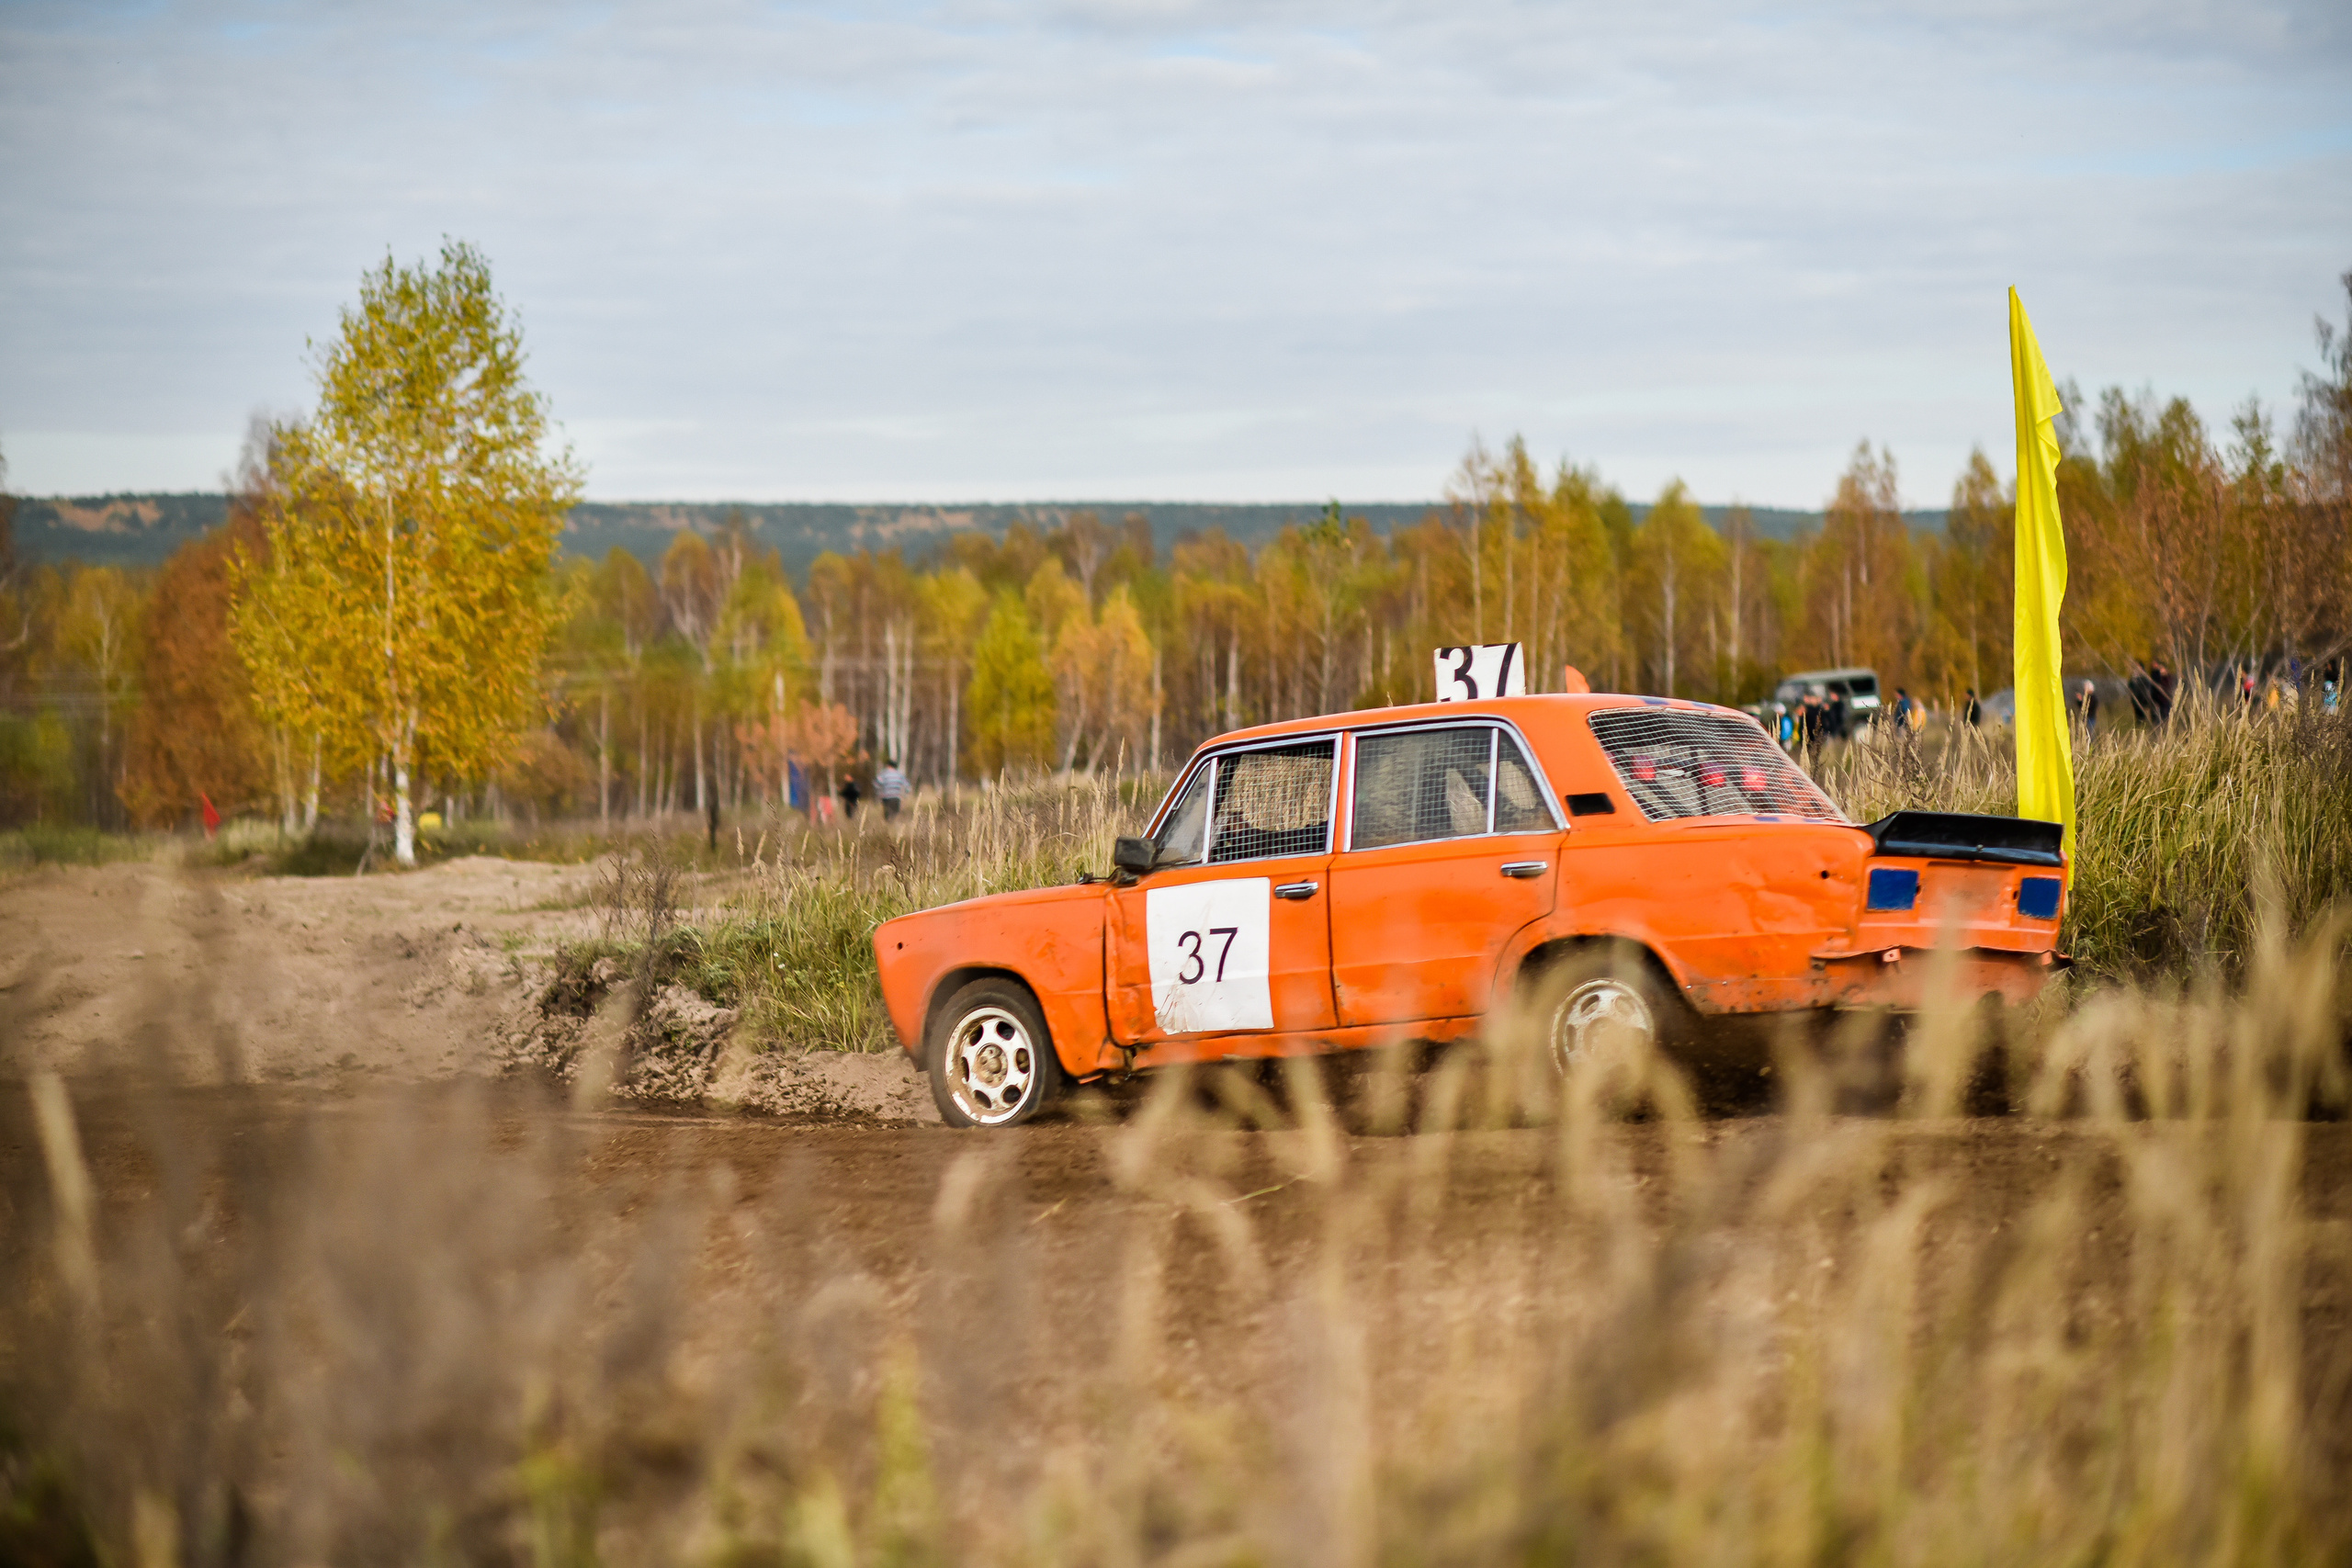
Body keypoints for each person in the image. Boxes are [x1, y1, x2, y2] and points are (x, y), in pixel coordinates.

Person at [876, 757, 909, 821]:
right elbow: (907, 786)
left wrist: (879, 793)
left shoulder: (884, 774)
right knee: (894, 814)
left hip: (886, 797)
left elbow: (876, 784)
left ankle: (888, 826)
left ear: (888, 765)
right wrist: (905, 795)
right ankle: (892, 826)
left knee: (887, 814)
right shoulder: (899, 774)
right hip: (896, 797)